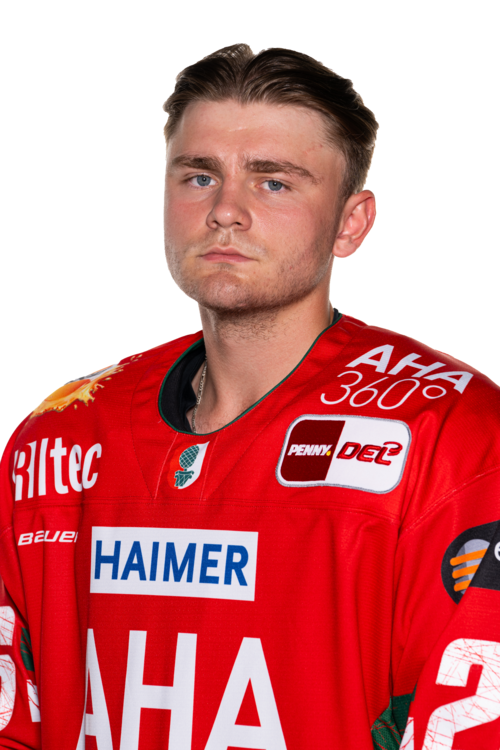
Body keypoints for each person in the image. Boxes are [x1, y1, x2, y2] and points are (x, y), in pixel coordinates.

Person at [0, 42, 499, 750]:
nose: (225, 211)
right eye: (199, 176)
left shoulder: (450, 432)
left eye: (273, 182)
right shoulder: (58, 439)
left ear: (352, 222)